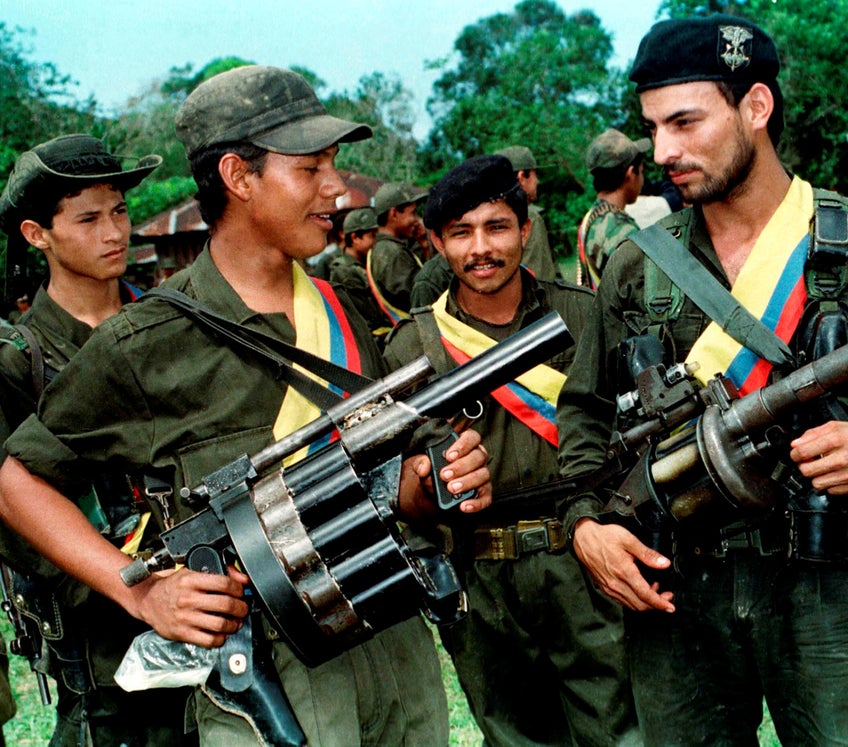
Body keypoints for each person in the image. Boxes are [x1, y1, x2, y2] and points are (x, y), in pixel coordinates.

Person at [0, 65, 492, 746]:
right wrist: (136, 589)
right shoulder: (149, 340)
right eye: (311, 167)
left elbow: (386, 467)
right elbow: (16, 480)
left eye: (334, 164)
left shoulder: (338, 310)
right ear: (238, 176)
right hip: (272, 673)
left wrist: (424, 484)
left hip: (391, 642)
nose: (337, 187)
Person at [557, 15, 848, 746]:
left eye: (685, 122)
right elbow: (587, 415)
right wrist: (586, 524)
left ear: (756, 107)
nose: (664, 152)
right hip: (675, 585)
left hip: (825, 575)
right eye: (652, 128)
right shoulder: (636, 265)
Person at [384, 154, 638, 746]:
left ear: (525, 230)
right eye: (460, 233)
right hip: (481, 580)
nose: (481, 248)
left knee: (622, 730)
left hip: (585, 559)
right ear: (436, 243)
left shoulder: (581, 313)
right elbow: (395, 480)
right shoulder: (410, 350)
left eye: (497, 227)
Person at [0, 134, 192, 745]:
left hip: (214, 598)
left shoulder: (169, 323)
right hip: (103, 645)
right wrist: (129, 578)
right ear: (38, 234)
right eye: (87, 218)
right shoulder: (18, 363)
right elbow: (16, 517)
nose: (114, 232)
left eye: (119, 211)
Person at [577, 128, 649, 289]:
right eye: (642, 172)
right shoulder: (621, 229)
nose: (643, 179)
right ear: (631, 174)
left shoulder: (592, 217)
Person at [328, 206, 392, 343]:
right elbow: (368, 316)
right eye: (371, 236)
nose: (375, 241)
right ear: (355, 237)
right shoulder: (345, 271)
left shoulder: (363, 263)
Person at [494, 145, 558, 281]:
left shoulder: (488, 217)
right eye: (535, 174)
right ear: (521, 176)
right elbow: (540, 281)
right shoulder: (530, 218)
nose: (538, 181)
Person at [368, 181, 428, 323]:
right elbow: (421, 297)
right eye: (412, 213)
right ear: (394, 213)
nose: (416, 220)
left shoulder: (386, 247)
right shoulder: (392, 252)